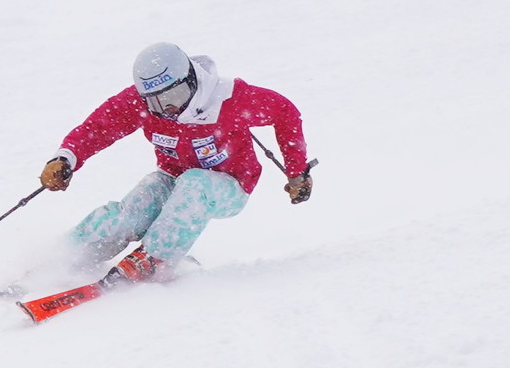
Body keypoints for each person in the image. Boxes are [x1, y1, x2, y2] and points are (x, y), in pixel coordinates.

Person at [39, 42, 313, 282]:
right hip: (173, 177)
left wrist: (297, 171)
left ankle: (156, 259)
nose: (167, 108)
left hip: (231, 186)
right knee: (136, 207)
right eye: (155, 102)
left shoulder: (231, 99)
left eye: (173, 96)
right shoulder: (141, 103)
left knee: (195, 185)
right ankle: (67, 256)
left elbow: (285, 112)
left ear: (191, 79)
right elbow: (100, 127)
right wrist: (66, 157)